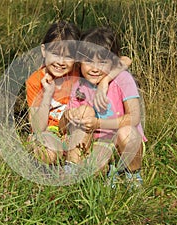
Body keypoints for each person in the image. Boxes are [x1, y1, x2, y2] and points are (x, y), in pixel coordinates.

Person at [26, 21, 130, 166]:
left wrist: (105, 81)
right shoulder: (36, 80)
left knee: (85, 116)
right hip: (49, 132)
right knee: (48, 153)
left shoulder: (78, 71)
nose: (61, 62)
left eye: (68, 56)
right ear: (44, 50)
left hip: (75, 131)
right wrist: (47, 95)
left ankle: (73, 165)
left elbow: (125, 60)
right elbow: (38, 127)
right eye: (55, 53)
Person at [60, 26, 147, 188]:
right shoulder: (80, 85)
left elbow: (134, 118)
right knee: (82, 115)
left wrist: (98, 124)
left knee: (127, 132)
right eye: (88, 61)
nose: (94, 68)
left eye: (102, 62)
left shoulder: (123, 79)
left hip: (123, 142)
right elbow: (63, 127)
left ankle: (133, 173)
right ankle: (71, 169)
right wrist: (69, 116)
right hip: (97, 143)